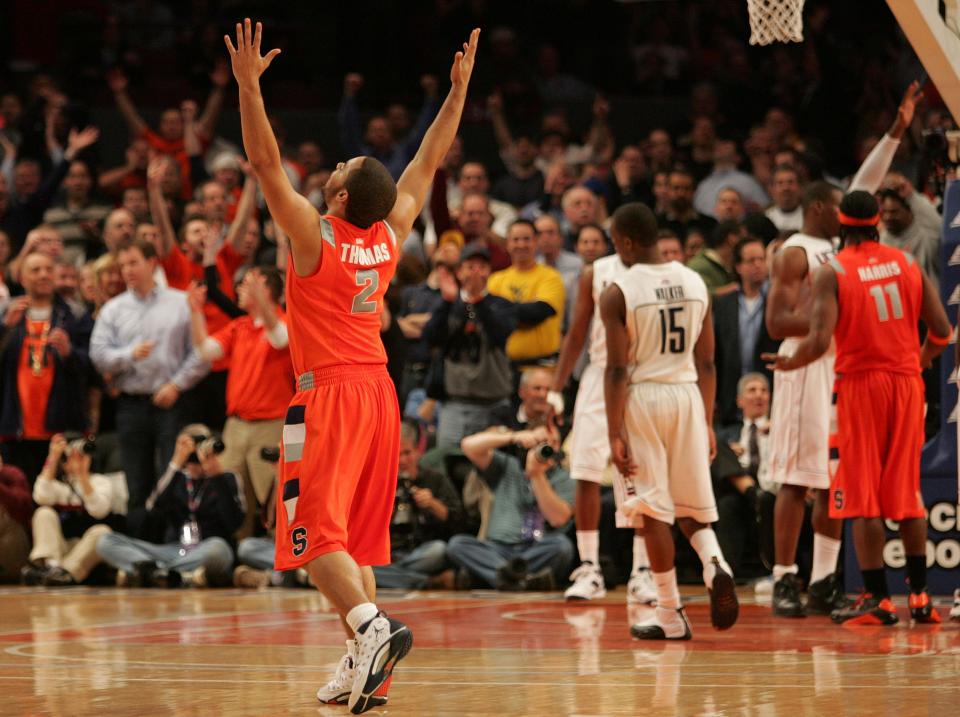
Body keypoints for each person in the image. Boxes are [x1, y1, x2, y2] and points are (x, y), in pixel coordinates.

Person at [225, 19, 479, 713]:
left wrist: (249, 88)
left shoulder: (315, 237)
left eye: (336, 173)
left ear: (338, 200)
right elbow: (428, 159)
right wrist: (456, 96)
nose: (331, 170)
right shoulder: (390, 235)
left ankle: (373, 628)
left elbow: (265, 162)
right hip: (378, 391)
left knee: (309, 536)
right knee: (351, 542)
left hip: (329, 391)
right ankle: (365, 662)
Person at [764, 191, 950, 625]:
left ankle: (877, 599)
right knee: (907, 496)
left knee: (863, 496)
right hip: (908, 384)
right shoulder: (906, 261)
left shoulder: (833, 270)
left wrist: (792, 361)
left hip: (862, 386)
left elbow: (819, 339)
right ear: (876, 224)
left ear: (842, 226)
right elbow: (941, 331)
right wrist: (918, 362)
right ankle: (920, 599)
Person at [600, 202, 738, 640]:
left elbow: (617, 369)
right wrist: (709, 421)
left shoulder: (618, 290)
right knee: (693, 507)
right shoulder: (696, 280)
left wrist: (613, 430)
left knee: (652, 511)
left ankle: (670, 612)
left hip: (643, 398)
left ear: (623, 241)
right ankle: (716, 564)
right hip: (688, 395)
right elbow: (710, 361)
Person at [550, 205, 656, 605]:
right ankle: (590, 567)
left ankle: (642, 570)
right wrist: (557, 389)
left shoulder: (659, 273)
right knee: (586, 471)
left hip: (641, 375)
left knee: (641, 475)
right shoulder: (596, 273)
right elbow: (576, 334)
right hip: (598, 375)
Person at [764, 181, 847, 618]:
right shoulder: (795, 252)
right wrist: (825, 324)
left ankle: (823, 581)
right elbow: (776, 323)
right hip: (804, 365)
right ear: (818, 207)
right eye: (837, 207)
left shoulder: (843, 247)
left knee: (834, 477)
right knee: (796, 478)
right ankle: (783, 576)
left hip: (838, 364)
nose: (843, 214)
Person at [89, 239, 209, 520]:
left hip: (171, 402)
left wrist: (177, 384)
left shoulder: (181, 303)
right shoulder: (114, 309)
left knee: (173, 476)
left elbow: (202, 354)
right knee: (136, 481)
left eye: (133, 263)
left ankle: (174, 547)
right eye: (123, 265)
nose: (127, 270)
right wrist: (129, 354)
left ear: (152, 263)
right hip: (131, 404)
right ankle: (138, 552)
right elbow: (98, 355)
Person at [187, 267, 295, 537]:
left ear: (267, 290)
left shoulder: (286, 322)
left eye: (246, 284)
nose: (238, 289)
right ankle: (241, 555)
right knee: (232, 495)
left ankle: (281, 561)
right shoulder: (240, 326)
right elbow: (205, 350)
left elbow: (280, 339)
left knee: (274, 498)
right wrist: (195, 311)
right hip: (236, 425)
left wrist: (264, 303)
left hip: (271, 425)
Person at [96, 426, 243, 588]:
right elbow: (152, 508)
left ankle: (153, 572)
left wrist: (217, 477)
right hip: (173, 549)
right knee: (106, 541)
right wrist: (176, 463)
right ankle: (172, 574)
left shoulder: (227, 478)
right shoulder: (176, 478)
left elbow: (234, 522)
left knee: (219, 549)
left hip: (206, 548)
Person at [451, 401, 575, 591]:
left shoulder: (564, 478)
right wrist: (514, 436)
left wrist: (537, 475)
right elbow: (468, 446)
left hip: (536, 548)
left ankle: (500, 577)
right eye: (543, 443)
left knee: (562, 547)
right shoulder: (507, 465)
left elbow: (558, 518)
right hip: (496, 548)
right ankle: (522, 580)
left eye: (554, 444)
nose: (550, 449)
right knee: (458, 544)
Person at [0, 251, 93, 485]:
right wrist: (4, 329)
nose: (43, 275)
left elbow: (93, 367)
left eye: (48, 270)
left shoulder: (75, 315)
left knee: (59, 498)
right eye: (35, 270)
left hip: (62, 426)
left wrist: (69, 352)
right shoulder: (8, 314)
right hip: (15, 427)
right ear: (21, 278)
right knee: (19, 498)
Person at [423, 244, 516, 449]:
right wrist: (447, 302)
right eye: (470, 266)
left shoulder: (501, 304)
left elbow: (500, 335)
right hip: (454, 404)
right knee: (447, 464)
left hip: (493, 404)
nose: (475, 271)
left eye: (481, 266)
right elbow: (431, 337)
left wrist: (479, 301)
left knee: (491, 469)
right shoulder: (448, 303)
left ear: (490, 272)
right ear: (458, 272)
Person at [372, 420, 464, 589]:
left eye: (407, 453)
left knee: (440, 550)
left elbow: (457, 521)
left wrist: (433, 504)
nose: (402, 460)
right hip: (388, 553)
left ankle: (393, 576)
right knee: (362, 564)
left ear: (418, 452)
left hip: (422, 552)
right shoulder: (380, 482)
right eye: (396, 454)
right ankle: (429, 582)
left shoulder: (435, 479)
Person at [22, 434, 118, 587]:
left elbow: (99, 511)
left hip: (84, 552)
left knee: (102, 532)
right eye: (69, 456)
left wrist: (83, 477)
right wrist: (53, 457)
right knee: (44, 513)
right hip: (59, 549)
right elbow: (40, 496)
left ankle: (64, 573)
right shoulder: (58, 485)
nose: (75, 460)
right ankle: (52, 568)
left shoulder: (101, 482)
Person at [713, 237, 779, 427]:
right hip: (730, 402)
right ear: (738, 266)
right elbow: (717, 355)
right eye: (751, 261)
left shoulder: (776, 302)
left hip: (768, 399)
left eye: (761, 259)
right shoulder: (723, 305)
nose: (758, 265)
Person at [487, 220, 566, 372]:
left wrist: (504, 312)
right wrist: (521, 313)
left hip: (541, 368)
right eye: (516, 240)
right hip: (504, 368)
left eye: (527, 239)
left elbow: (540, 311)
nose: (521, 245)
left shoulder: (550, 277)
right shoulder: (495, 280)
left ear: (536, 242)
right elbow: (489, 318)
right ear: (507, 244)